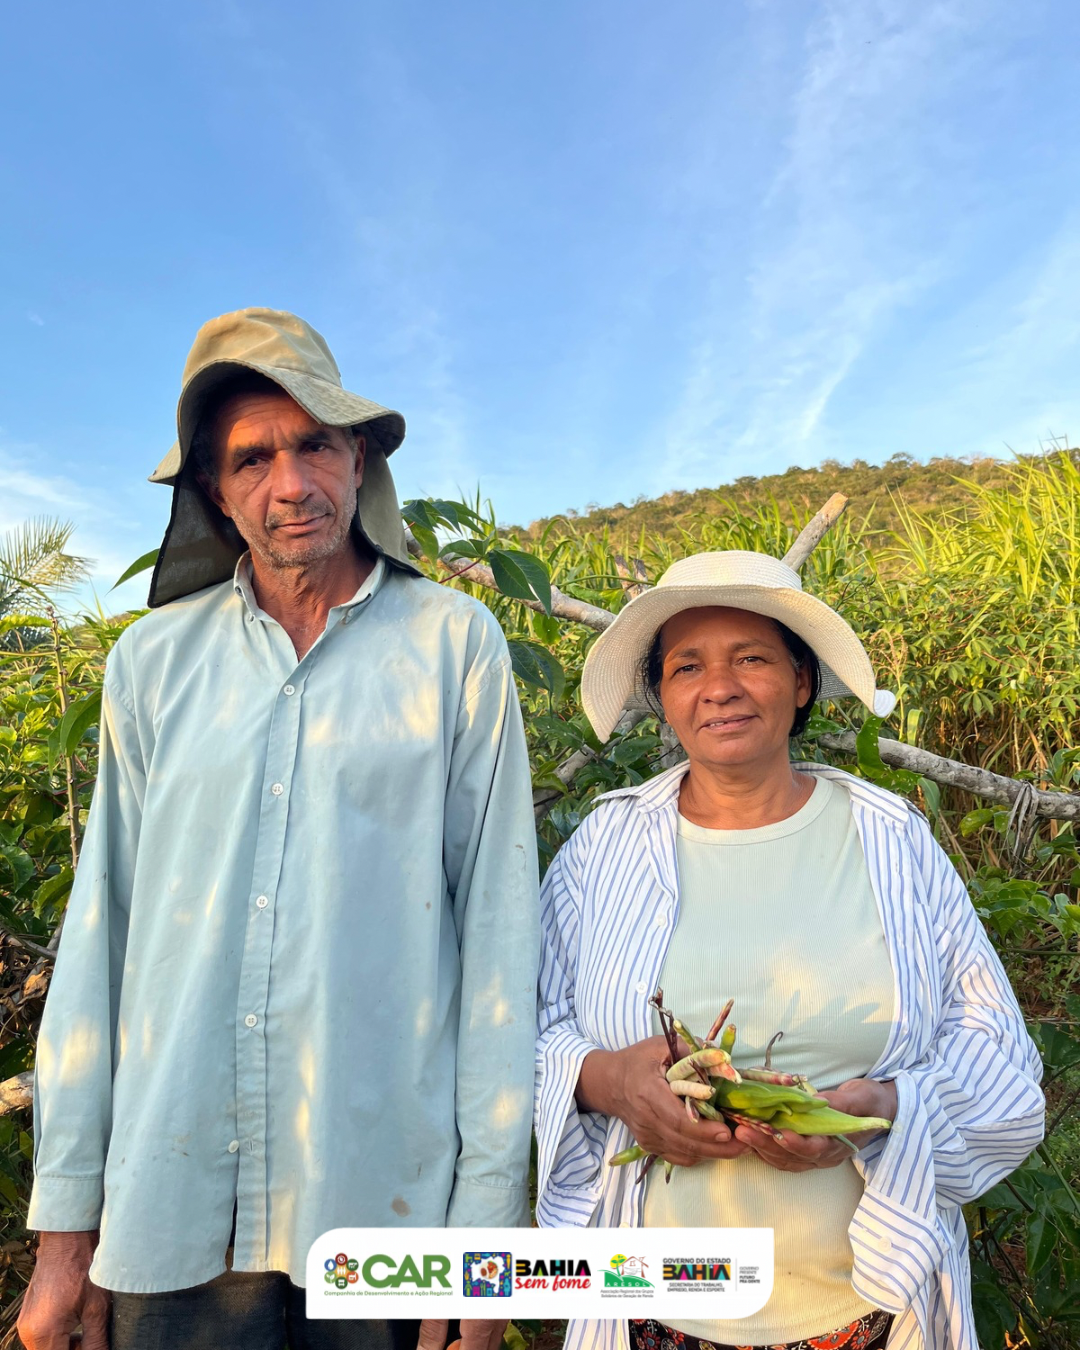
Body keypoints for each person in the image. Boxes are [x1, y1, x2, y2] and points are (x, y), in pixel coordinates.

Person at [19, 308, 539, 1350]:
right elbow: (101, 945)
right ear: (215, 489)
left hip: (385, 1208)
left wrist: (482, 1247)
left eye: (314, 445)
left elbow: (498, 944)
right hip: (171, 1216)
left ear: (359, 460)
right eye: (251, 458)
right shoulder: (151, 665)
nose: (288, 484)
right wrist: (64, 1243)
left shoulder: (454, 646)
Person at [533, 550, 1044, 1350]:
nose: (720, 686)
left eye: (752, 658)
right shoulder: (606, 846)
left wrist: (880, 1110)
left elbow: (996, 1056)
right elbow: (525, 1033)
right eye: (686, 666)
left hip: (864, 1310)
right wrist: (608, 1082)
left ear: (802, 681)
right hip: (652, 1312)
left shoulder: (890, 837)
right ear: (662, 698)